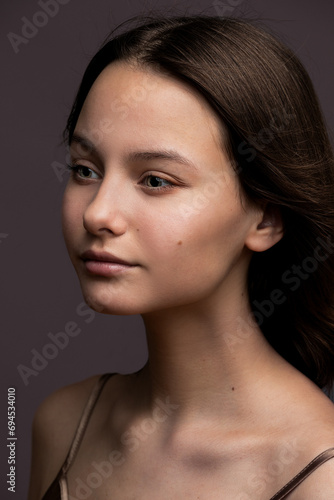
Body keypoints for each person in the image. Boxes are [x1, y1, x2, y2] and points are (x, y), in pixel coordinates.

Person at [28, 15, 334, 500]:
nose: (98, 213)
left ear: (266, 219)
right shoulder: (62, 425)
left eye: (155, 180)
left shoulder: (319, 475)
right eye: (85, 170)